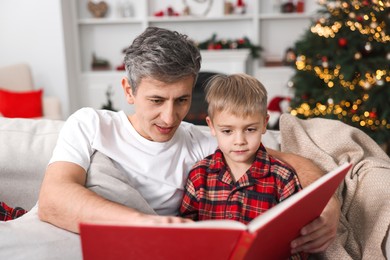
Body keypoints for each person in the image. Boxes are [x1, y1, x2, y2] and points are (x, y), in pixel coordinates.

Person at [38, 26, 340, 255]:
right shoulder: (91, 124)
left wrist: (329, 206)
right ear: (128, 91)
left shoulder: (203, 142)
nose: (170, 118)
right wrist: (145, 222)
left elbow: (292, 162)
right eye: (156, 100)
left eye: (181, 100)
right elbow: (53, 200)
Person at [179, 74, 306, 259]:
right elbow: (185, 234)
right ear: (211, 126)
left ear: (264, 124)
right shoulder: (199, 175)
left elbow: (297, 242)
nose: (239, 141)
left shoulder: (282, 177)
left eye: (250, 129)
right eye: (228, 131)